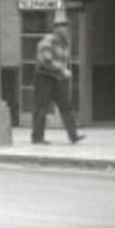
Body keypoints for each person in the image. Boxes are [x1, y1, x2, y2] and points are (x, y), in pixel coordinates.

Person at [32, 14, 84, 145]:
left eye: (66, 26)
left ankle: (73, 135)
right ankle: (37, 137)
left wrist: (62, 72)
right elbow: (45, 60)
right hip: (44, 77)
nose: (65, 29)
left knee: (66, 106)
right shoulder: (48, 41)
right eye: (61, 26)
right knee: (42, 107)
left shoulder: (65, 43)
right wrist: (62, 70)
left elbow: (64, 60)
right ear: (55, 28)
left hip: (59, 79)